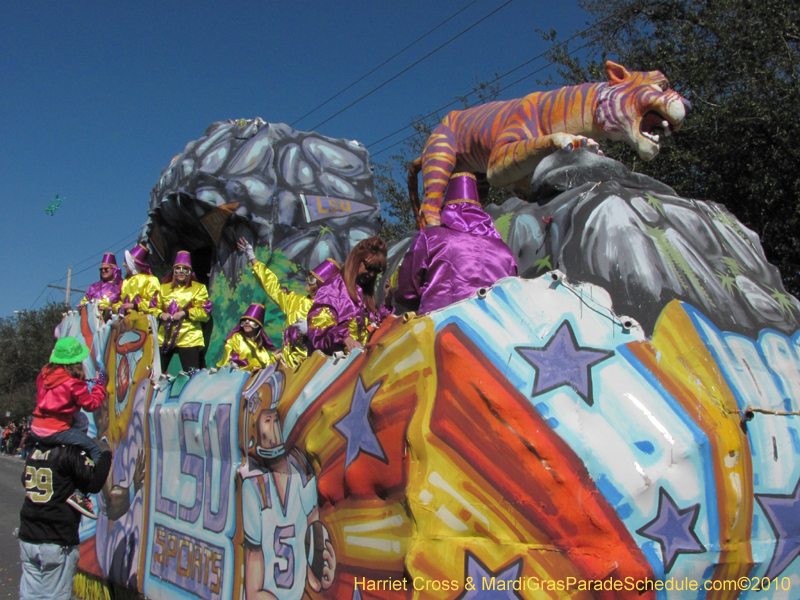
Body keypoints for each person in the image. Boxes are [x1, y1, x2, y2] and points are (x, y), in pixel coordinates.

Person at [239, 376, 336, 600]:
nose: (271, 425)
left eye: (274, 418)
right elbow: (254, 591)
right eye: (266, 419)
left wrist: (321, 578)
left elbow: (312, 567)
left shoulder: (303, 480)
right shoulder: (254, 489)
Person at [395, 172, 518, 313]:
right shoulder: (505, 251)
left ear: (448, 209)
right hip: (492, 331)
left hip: (441, 329)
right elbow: (513, 297)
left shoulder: (430, 237)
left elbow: (407, 291)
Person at [18, 437, 112, 600]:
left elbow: (24, 479)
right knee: (55, 596)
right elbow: (94, 484)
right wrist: (105, 454)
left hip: (29, 534)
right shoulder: (68, 453)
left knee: (30, 596)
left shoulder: (35, 451)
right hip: (56, 537)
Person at [28, 336, 108, 518]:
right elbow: (91, 405)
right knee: (96, 451)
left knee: (81, 421)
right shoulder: (74, 384)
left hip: (36, 427)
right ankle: (82, 494)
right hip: (56, 430)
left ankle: (74, 449)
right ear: (76, 362)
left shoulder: (43, 376)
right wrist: (99, 387)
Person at [239, 237, 341, 367]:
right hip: (287, 367)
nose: (306, 280)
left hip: (310, 369)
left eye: (311, 279)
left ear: (322, 286)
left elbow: (333, 341)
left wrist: (311, 330)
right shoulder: (295, 301)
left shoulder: (330, 312)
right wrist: (253, 259)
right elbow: (273, 287)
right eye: (308, 276)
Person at [307, 237, 392, 355]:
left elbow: (375, 330)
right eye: (369, 267)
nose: (371, 274)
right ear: (356, 260)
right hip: (335, 368)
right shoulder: (332, 289)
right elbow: (317, 328)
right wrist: (344, 339)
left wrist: (387, 304)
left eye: (376, 271)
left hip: (360, 366)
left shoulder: (365, 295)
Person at [158, 250, 212, 373]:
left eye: (185, 269)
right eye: (178, 269)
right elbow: (153, 307)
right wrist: (161, 314)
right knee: (156, 373)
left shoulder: (198, 288)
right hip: (165, 336)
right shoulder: (163, 288)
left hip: (188, 335)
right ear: (173, 271)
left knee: (191, 373)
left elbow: (205, 311)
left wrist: (185, 313)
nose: (181, 271)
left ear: (190, 272)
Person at [217, 303, 277, 371]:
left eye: (251, 320)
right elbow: (227, 362)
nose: (247, 322)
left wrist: (276, 358)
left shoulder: (262, 349)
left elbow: (267, 367)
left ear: (258, 325)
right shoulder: (236, 339)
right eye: (244, 320)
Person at [115, 243, 161, 317]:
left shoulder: (151, 280)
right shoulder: (125, 282)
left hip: (144, 321)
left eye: (126, 262)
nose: (123, 264)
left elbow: (156, 302)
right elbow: (119, 301)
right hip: (127, 321)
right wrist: (119, 308)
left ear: (132, 264)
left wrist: (135, 306)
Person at [78, 253, 123, 320]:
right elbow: (84, 303)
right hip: (93, 321)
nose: (103, 271)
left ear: (114, 269)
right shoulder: (93, 287)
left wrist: (109, 309)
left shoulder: (122, 285)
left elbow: (125, 304)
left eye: (106, 269)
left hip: (114, 322)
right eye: (101, 269)